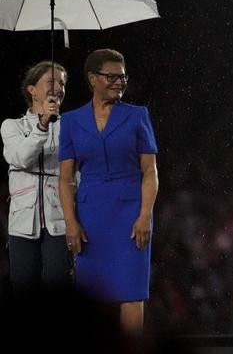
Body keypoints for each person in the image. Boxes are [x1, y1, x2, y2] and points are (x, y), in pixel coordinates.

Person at [58, 49, 159, 333]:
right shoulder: (71, 121)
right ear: (92, 78)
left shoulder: (138, 116)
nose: (120, 82)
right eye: (112, 77)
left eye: (123, 77)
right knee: (92, 296)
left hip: (130, 214)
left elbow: (149, 171)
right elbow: (65, 178)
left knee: (131, 291)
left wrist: (145, 215)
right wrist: (71, 222)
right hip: (90, 216)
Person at [2, 61, 71, 294]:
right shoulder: (11, 126)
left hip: (59, 221)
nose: (59, 87)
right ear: (32, 89)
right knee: (24, 291)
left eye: (62, 83)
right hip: (22, 224)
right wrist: (42, 125)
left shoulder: (69, 127)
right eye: (51, 81)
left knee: (58, 287)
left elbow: (76, 172)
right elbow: (20, 158)